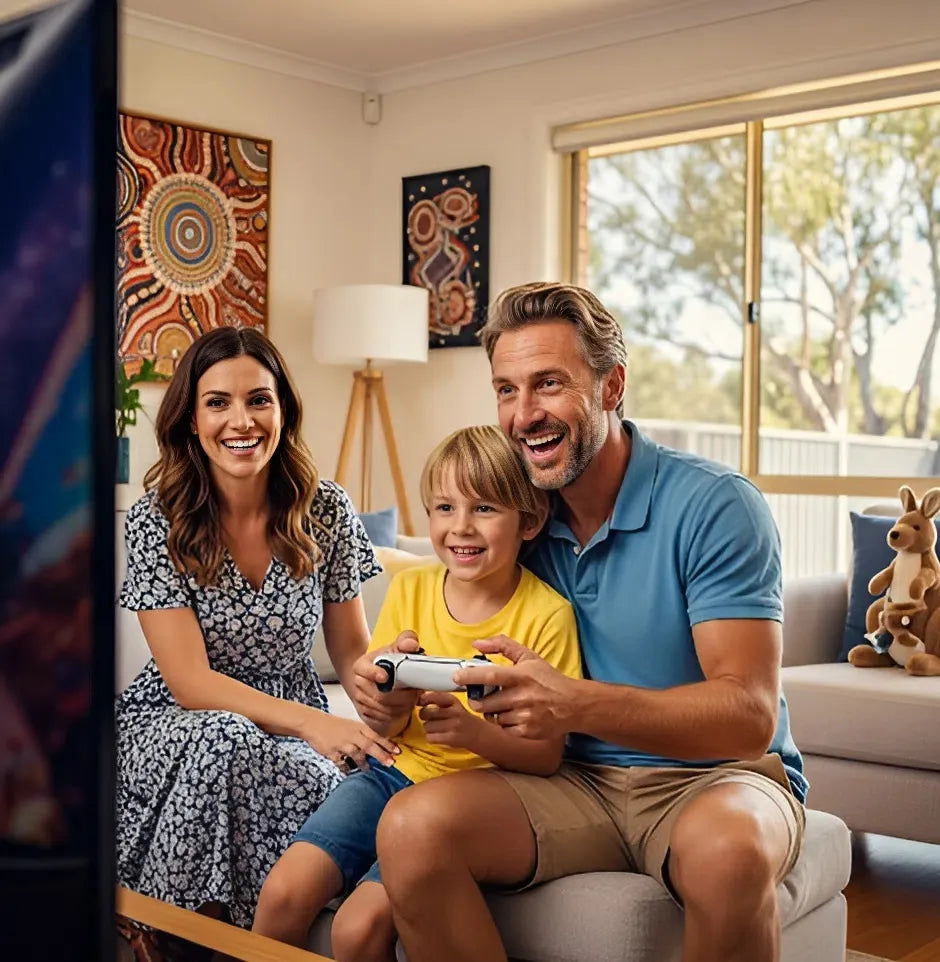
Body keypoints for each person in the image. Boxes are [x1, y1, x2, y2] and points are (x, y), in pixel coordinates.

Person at [353, 283, 808, 962]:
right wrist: (381, 683)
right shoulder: (519, 518)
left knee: (727, 852)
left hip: (711, 777)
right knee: (412, 827)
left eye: (548, 385)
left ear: (612, 385)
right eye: (506, 390)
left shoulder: (714, 506)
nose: (523, 414)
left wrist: (575, 704)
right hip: (564, 780)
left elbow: (747, 714)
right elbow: (440, 632)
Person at [252, 425, 582, 961]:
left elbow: (546, 757)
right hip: (388, 772)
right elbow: (380, 721)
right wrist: (386, 695)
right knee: (281, 898)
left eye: (484, 509)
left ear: (531, 520)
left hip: (466, 799)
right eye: (444, 508)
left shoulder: (547, 616)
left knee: (356, 930)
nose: (460, 528)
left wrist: (477, 733)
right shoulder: (411, 588)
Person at [115, 326, 399, 929]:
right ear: (192, 419)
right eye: (217, 402)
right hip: (174, 726)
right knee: (224, 739)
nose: (240, 420)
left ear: (283, 410)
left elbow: (353, 652)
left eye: (258, 399)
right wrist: (317, 722)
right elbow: (190, 684)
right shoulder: (154, 520)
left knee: (373, 788)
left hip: (291, 730)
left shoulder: (326, 509)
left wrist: (396, 689)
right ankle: (178, 938)